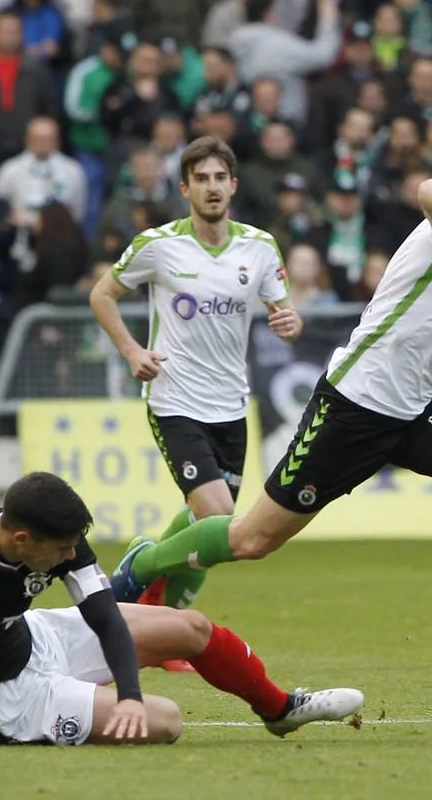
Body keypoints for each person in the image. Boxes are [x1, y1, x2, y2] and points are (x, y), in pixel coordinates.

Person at [109, 151, 432, 653]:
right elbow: (430, 189)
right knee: (251, 541)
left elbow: (426, 303)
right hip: (355, 407)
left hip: (416, 408)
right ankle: (144, 564)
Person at [0, 472, 363, 751]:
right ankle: (87, 700)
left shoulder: (58, 534)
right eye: (63, 550)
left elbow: (103, 614)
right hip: (5, 699)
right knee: (165, 721)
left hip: (35, 634)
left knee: (192, 628)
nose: (73, 557)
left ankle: (279, 710)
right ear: (22, 539)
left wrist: (128, 693)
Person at [89, 136, 302, 617]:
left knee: (210, 526)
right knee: (219, 517)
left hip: (231, 402)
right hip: (174, 398)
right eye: (201, 179)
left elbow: (286, 312)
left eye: (219, 178)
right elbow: (102, 294)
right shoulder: (159, 246)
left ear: (234, 186)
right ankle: (142, 569)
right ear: (185, 189)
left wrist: (291, 323)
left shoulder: (260, 248)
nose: (212, 188)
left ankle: (163, 620)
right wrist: (131, 350)